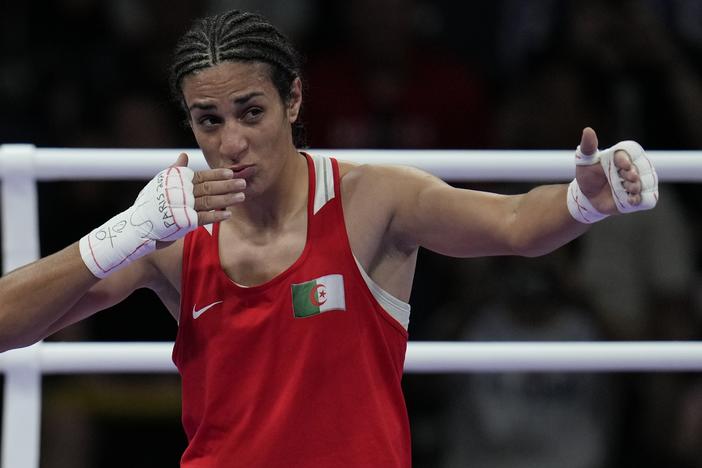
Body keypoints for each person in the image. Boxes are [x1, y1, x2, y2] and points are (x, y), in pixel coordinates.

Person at [0, 9, 658, 468]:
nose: (231, 142)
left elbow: (514, 226)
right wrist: (122, 235)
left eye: (251, 112)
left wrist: (585, 201)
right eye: (209, 121)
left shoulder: (373, 201)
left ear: (292, 101)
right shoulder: (173, 233)